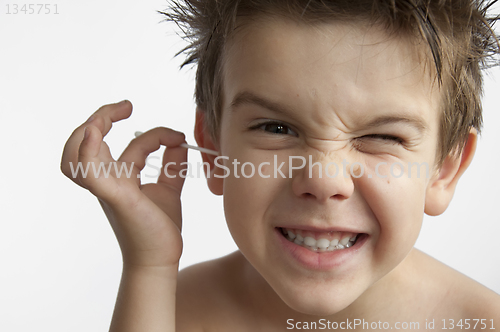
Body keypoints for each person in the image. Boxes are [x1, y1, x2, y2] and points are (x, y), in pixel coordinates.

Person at [61, 0, 500, 330]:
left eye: (382, 136)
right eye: (275, 128)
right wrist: (149, 267)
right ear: (213, 147)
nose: (323, 180)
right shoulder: (168, 309)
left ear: (444, 169)